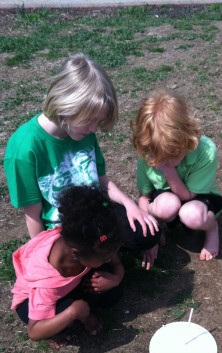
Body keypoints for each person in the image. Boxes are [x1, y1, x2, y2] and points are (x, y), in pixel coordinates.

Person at [4, 52, 159, 251]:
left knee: (147, 233)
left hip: (96, 212)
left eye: (99, 121)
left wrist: (130, 204)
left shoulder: (81, 131)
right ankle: (101, 256)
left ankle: (104, 252)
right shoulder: (24, 148)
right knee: (80, 266)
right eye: (90, 120)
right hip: (62, 228)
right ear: (66, 105)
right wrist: (46, 256)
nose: (94, 129)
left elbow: (102, 180)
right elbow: (33, 216)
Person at [11, 185, 125, 349]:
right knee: (72, 324)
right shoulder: (46, 281)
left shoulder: (93, 240)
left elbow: (116, 264)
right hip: (33, 302)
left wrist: (115, 279)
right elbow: (34, 332)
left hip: (70, 282)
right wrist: (75, 311)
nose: (109, 259)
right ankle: (58, 328)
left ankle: (80, 309)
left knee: (114, 292)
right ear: (76, 254)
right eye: (105, 258)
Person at [131, 89, 222, 268]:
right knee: (167, 205)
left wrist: (168, 171)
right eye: (158, 156)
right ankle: (159, 225)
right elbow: (144, 196)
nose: (163, 160)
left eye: (171, 155)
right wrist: (150, 234)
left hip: (197, 198)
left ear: (186, 138)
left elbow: (188, 196)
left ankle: (212, 229)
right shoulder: (149, 152)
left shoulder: (206, 150)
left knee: (191, 215)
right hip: (167, 198)